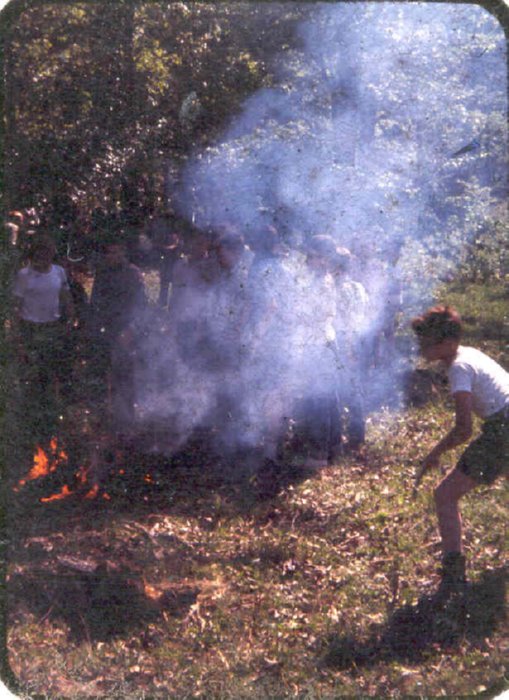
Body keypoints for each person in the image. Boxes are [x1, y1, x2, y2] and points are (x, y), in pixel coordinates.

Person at [412, 305, 509, 600]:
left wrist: (434, 452)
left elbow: (464, 429)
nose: (421, 348)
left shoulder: (459, 368)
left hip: (503, 429)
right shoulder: (468, 353)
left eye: (427, 342)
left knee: (444, 495)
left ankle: (453, 578)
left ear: (446, 342)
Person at [11, 235, 75, 418]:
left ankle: (50, 409)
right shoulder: (24, 275)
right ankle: (30, 411)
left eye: (47, 253)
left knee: (50, 369)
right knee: (32, 371)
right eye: (40, 253)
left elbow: (65, 296)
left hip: (52, 327)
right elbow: (16, 304)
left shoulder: (58, 272)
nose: (43, 257)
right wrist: (17, 333)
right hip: (31, 327)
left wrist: (71, 318)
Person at [332, 247, 370, 457]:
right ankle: (357, 434)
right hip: (358, 340)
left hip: (344, 340)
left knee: (340, 388)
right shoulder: (359, 287)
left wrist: (346, 346)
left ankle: (341, 436)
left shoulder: (341, 289)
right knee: (354, 388)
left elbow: (345, 320)